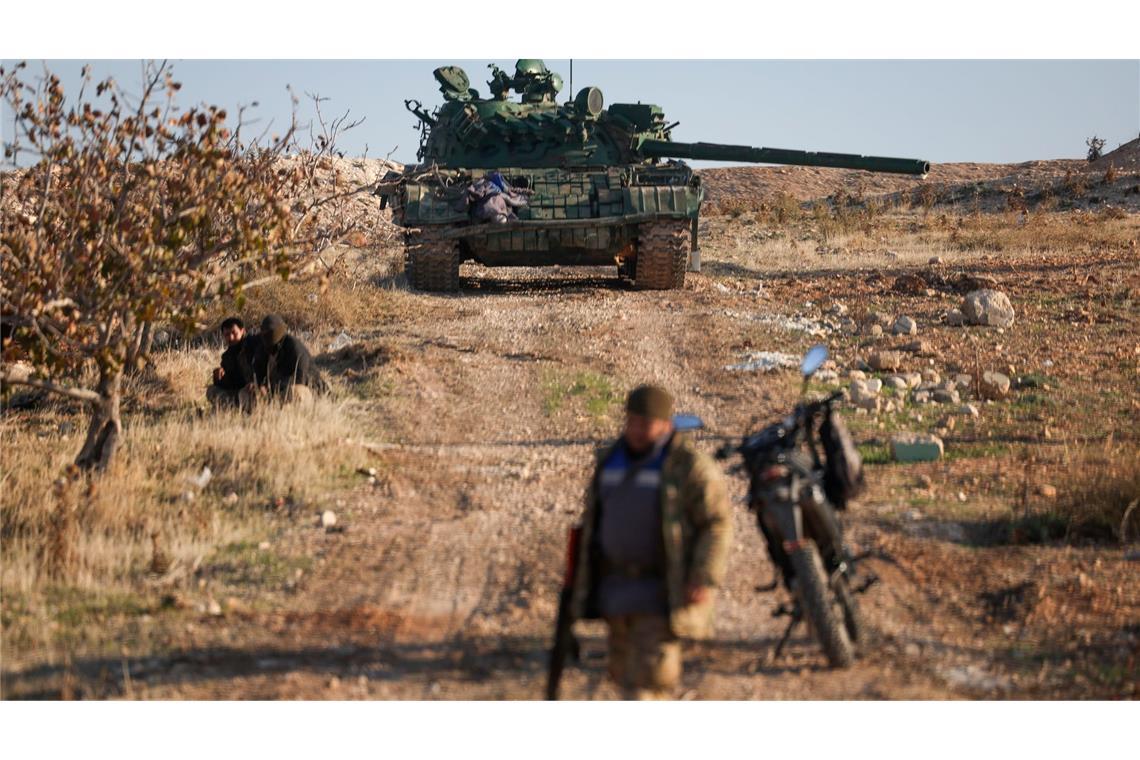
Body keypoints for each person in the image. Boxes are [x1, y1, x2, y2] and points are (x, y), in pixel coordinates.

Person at [568, 384, 732, 699]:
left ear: (667, 425)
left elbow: (717, 523)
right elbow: (593, 522)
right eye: (632, 421)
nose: (638, 430)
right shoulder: (611, 461)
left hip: (662, 594)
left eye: (647, 423)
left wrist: (704, 576)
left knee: (648, 689)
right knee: (623, 682)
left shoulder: (689, 467)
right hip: (616, 594)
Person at [251, 314, 320, 405]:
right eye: (264, 332)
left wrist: (273, 386)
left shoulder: (294, 347)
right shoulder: (263, 348)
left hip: (308, 390)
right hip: (276, 392)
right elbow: (258, 371)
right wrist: (260, 386)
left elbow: (300, 379)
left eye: (269, 332)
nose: (266, 336)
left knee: (295, 391)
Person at [206, 317, 259, 410]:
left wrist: (257, 383)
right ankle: (234, 407)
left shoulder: (255, 344)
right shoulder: (227, 357)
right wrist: (219, 377)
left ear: (242, 331)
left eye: (234, 333)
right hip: (240, 392)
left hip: (257, 389)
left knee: (246, 394)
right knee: (211, 390)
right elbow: (230, 384)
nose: (231, 337)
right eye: (227, 334)